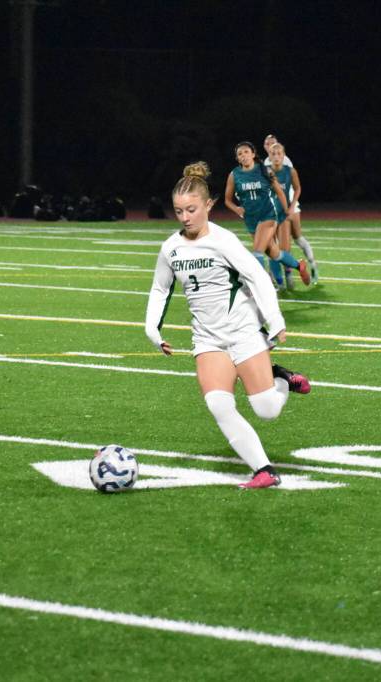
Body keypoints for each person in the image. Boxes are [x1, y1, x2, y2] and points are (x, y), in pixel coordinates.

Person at [145, 162, 311, 489]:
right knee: (218, 403)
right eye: (178, 211)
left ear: (208, 205)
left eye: (191, 209)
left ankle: (281, 378)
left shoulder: (224, 241)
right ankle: (264, 470)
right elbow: (160, 288)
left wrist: (274, 321)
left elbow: (257, 277)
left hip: (243, 330)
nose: (185, 217)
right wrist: (152, 329)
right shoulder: (170, 248)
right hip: (207, 338)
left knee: (266, 410)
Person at [223, 141, 310, 289]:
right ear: (237, 158)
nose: (243, 155)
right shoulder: (234, 175)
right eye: (240, 154)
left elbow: (279, 192)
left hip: (268, 216)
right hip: (250, 220)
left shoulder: (265, 171)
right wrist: (237, 209)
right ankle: (298, 265)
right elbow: (227, 200)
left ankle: (264, 288)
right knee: (274, 254)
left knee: (257, 251)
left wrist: (287, 210)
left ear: (253, 154)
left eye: (246, 152)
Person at [267, 141, 318, 287]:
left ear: (283, 155)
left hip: (284, 212)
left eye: (279, 154)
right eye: (273, 154)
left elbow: (297, 188)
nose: (276, 156)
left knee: (284, 248)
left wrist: (292, 204)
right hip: (269, 213)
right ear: (269, 156)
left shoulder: (290, 171)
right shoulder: (264, 171)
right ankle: (278, 281)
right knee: (270, 247)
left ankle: (290, 275)